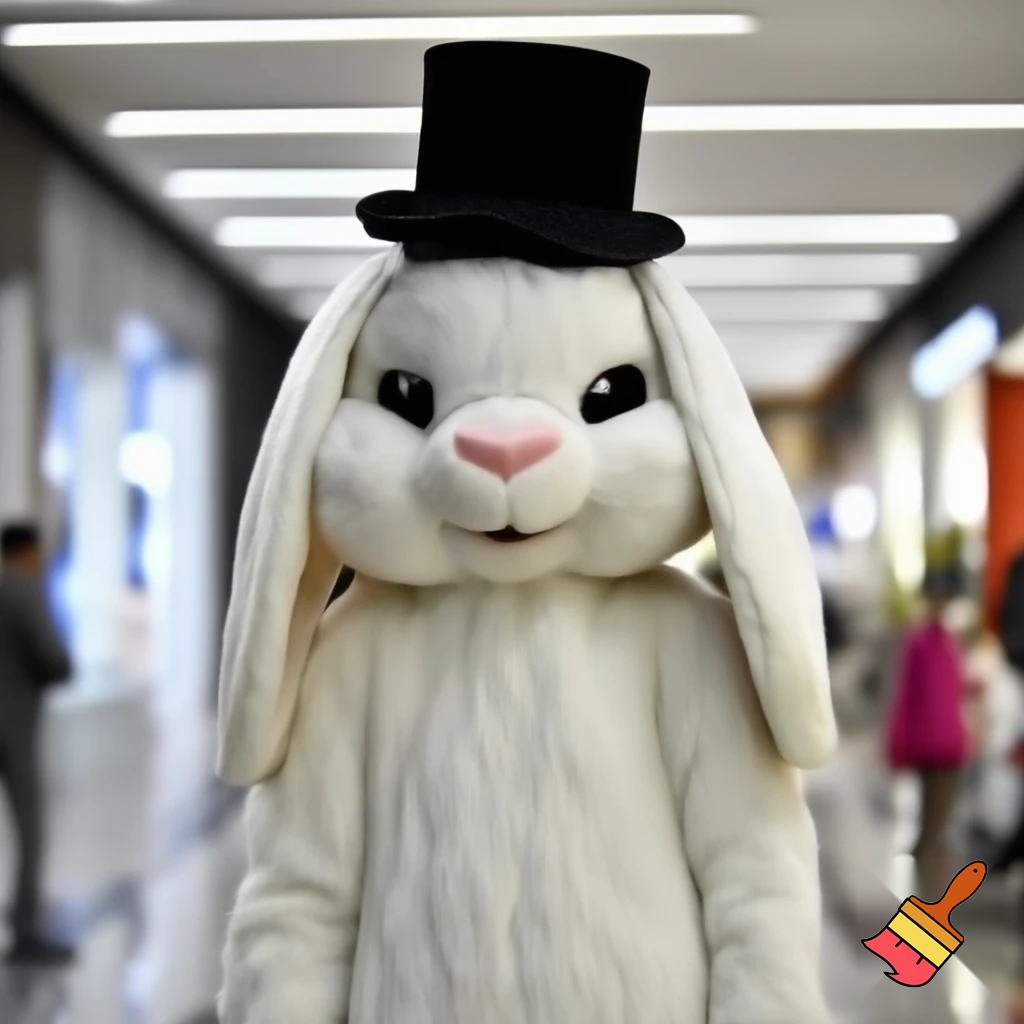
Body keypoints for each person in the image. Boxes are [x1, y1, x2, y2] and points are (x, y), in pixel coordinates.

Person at [0, 522, 75, 965]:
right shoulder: (23, 590)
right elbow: (54, 658)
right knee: (30, 828)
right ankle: (25, 930)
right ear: (28, 552)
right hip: (13, 728)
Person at [885, 566, 970, 901]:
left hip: (945, 743)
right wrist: (899, 742)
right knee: (932, 829)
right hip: (933, 743)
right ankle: (925, 897)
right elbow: (908, 696)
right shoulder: (924, 643)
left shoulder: (946, 641)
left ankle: (924, 895)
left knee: (934, 826)